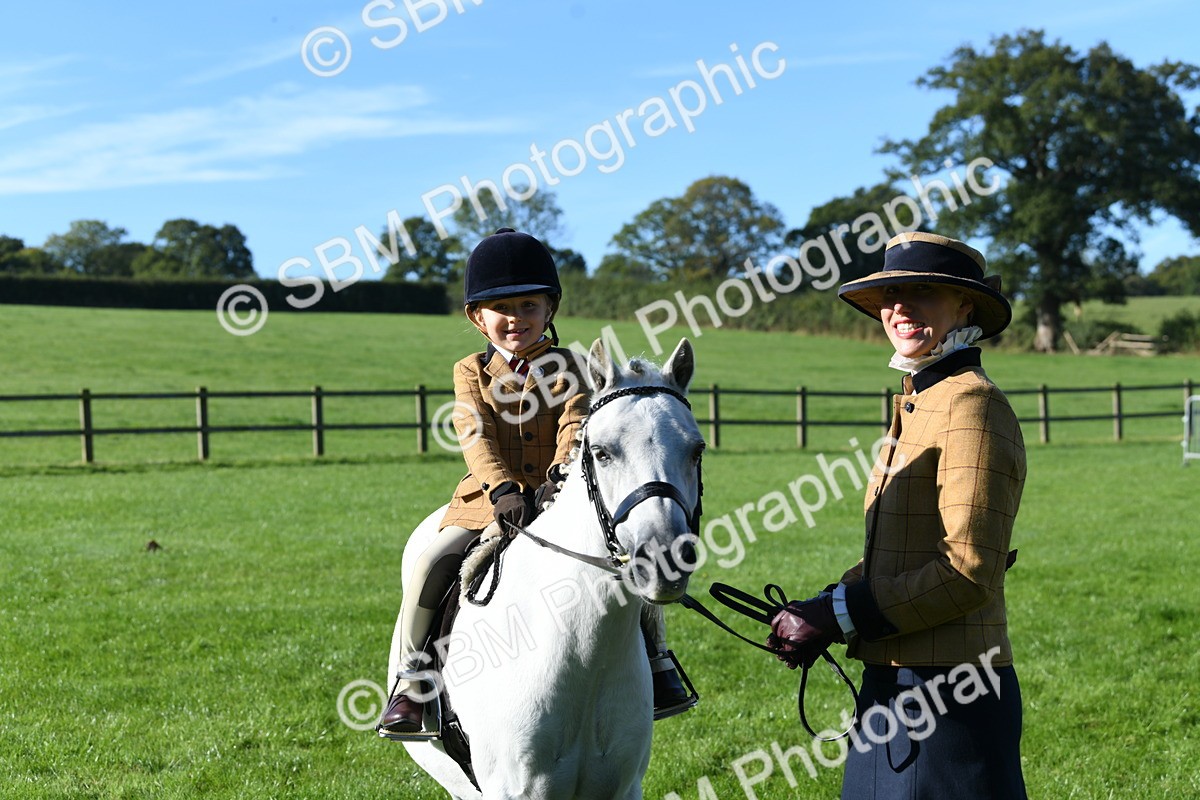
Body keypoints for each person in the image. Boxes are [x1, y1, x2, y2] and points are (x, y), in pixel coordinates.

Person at [381, 228, 695, 735]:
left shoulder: (573, 367)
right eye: (501, 308)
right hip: (488, 502)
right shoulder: (470, 371)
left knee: (627, 560)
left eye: (528, 305)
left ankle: (657, 662)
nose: (515, 318)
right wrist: (503, 490)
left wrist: (557, 479)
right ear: (476, 317)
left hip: (560, 497)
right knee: (431, 563)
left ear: (550, 309)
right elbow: (475, 434)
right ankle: (413, 682)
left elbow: (575, 423)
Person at [768, 231, 1028, 798]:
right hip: (891, 685)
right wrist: (825, 604)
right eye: (891, 294)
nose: (900, 308)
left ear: (965, 306)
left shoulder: (972, 404)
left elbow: (967, 571)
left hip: (949, 694)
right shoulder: (923, 399)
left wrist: (839, 614)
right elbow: (900, 552)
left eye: (922, 292)